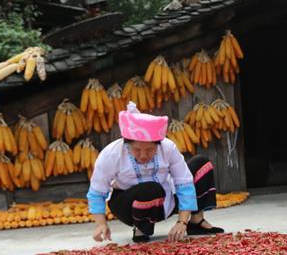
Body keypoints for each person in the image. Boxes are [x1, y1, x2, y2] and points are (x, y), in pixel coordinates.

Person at [86, 102, 224, 243]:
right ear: (127, 144)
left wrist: (182, 222)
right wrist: (101, 224)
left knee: (201, 164)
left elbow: (184, 182)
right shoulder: (112, 154)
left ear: (159, 144)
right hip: (128, 205)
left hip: (165, 200)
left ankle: (196, 221)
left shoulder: (168, 148)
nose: (143, 155)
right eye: (137, 150)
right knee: (151, 188)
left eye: (150, 150)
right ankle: (141, 228)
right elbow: (97, 190)